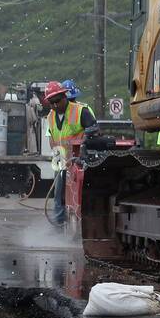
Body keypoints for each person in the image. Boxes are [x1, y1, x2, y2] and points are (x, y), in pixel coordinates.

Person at [43, 79, 98, 225]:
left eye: (58, 101)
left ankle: (81, 222)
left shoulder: (80, 111)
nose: (55, 105)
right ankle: (59, 223)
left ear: (64, 97)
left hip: (78, 159)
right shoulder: (50, 116)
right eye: (51, 102)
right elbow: (52, 137)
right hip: (61, 160)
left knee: (76, 194)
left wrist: (82, 151)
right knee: (59, 193)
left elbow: (93, 130)